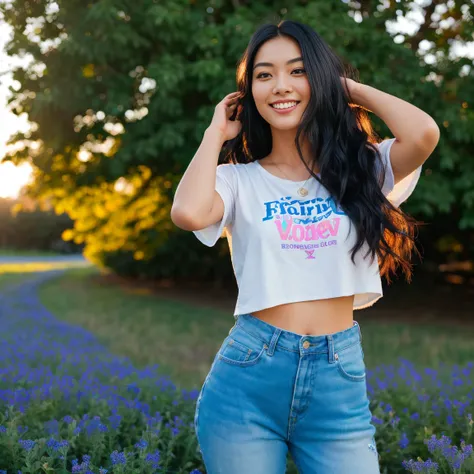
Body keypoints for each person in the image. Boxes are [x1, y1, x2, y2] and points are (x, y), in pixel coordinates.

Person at [171, 19, 439, 474]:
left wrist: (347, 89)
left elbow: (424, 135)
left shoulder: (364, 169)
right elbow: (190, 213)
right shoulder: (238, 180)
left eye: (298, 71)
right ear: (249, 91)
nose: (280, 86)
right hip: (248, 381)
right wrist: (214, 134)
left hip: (339, 379)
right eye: (264, 74)